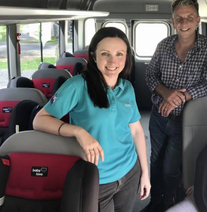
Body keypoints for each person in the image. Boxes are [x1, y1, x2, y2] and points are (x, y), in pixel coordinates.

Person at [33, 27, 151, 212]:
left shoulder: (127, 87)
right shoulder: (77, 85)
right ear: (94, 56)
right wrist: (78, 131)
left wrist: (145, 172)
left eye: (120, 54)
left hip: (129, 171)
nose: (113, 61)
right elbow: (40, 120)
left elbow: (136, 130)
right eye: (105, 54)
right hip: (97, 178)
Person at [144, 0, 207, 211]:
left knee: (170, 167)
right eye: (179, 18)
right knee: (155, 161)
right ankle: (155, 201)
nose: (184, 23)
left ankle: (169, 202)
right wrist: (166, 93)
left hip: (184, 121)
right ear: (173, 21)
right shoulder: (163, 45)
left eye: (189, 17)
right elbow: (150, 76)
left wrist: (179, 97)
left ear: (197, 20)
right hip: (159, 116)